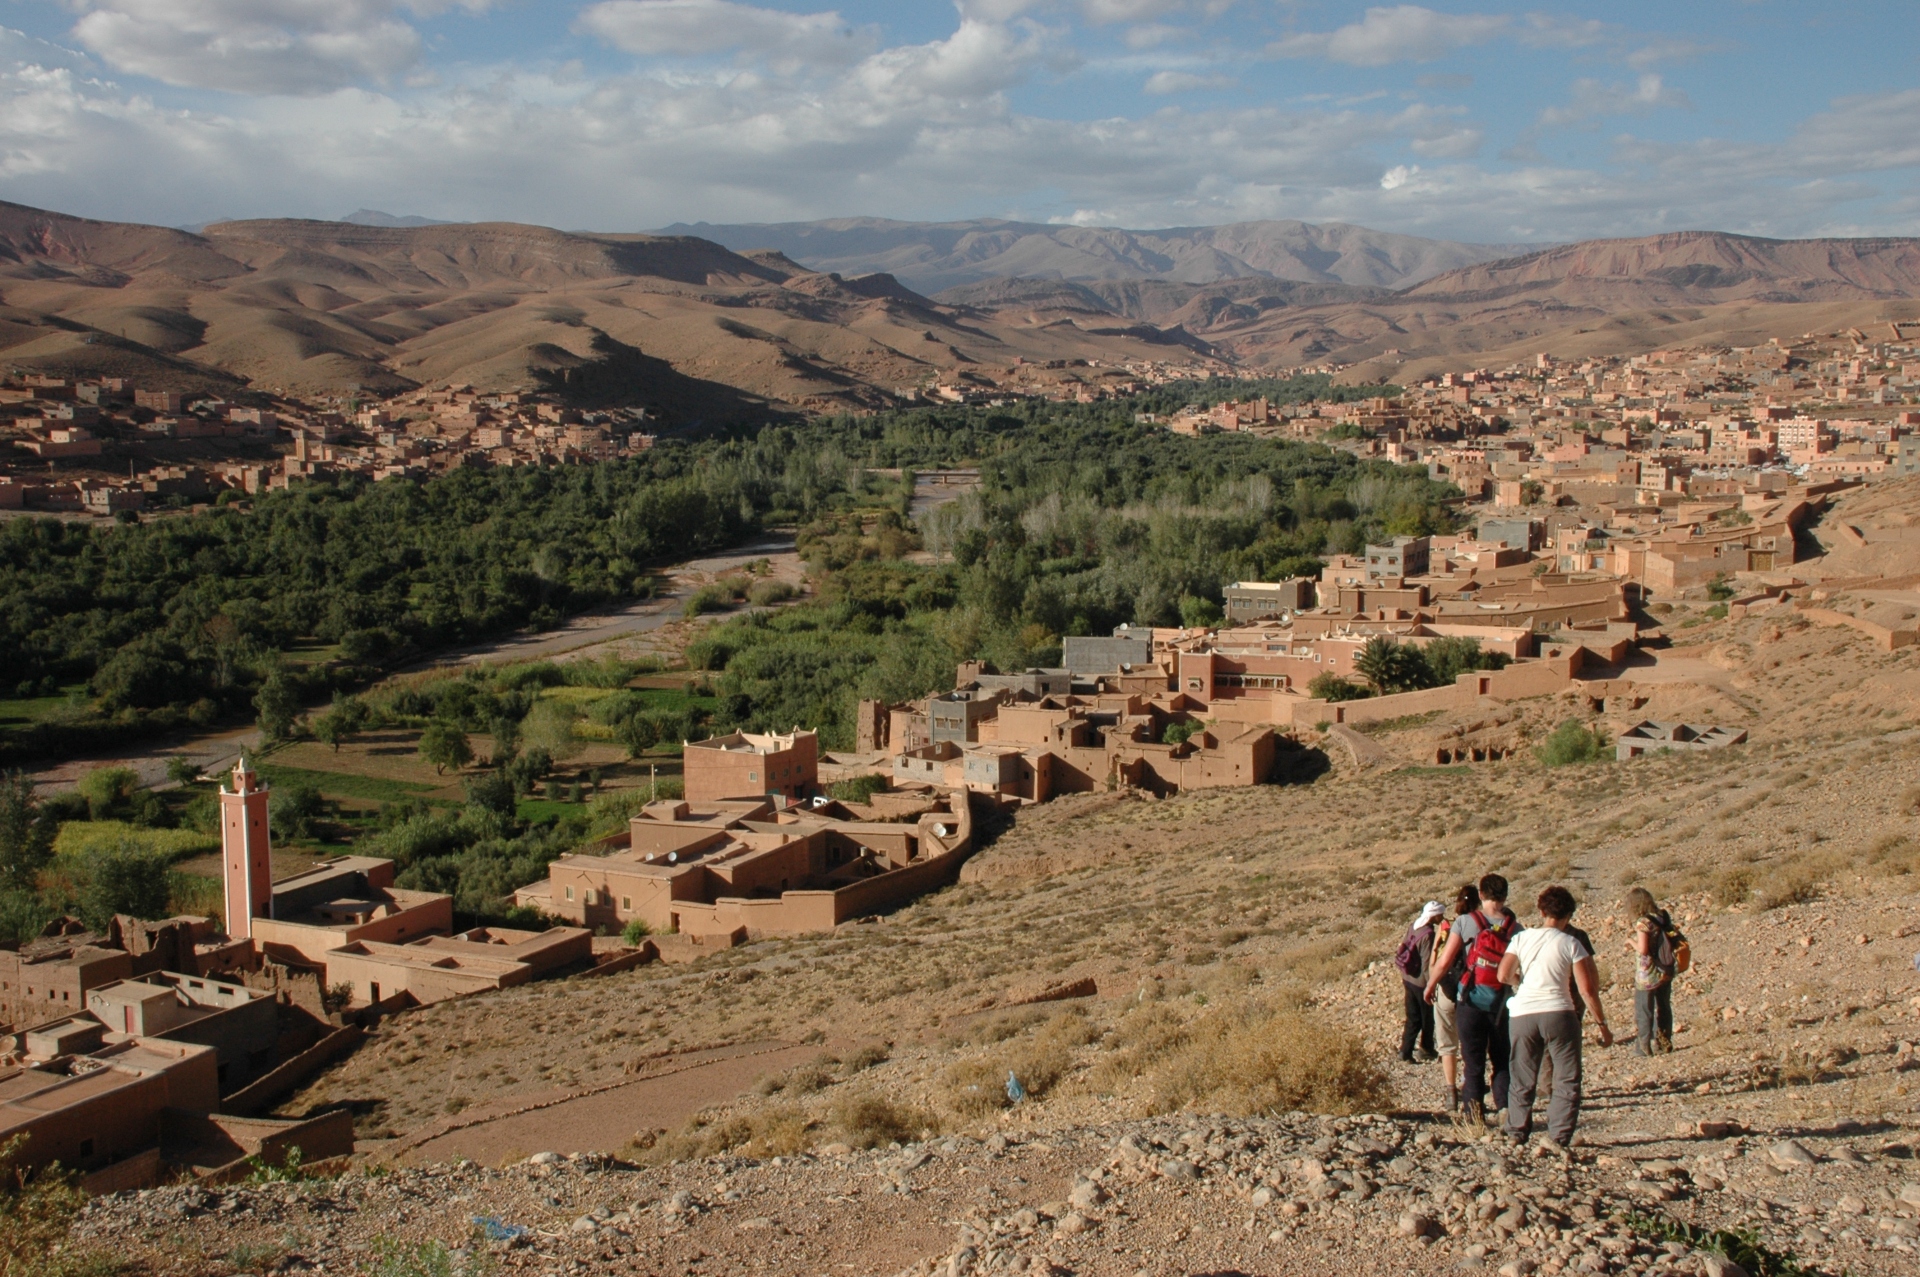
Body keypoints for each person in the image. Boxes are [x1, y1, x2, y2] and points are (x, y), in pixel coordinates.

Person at [1498, 886, 1613, 1152]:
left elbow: (1503, 975)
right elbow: (1587, 990)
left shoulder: (1521, 939)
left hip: (1523, 1014)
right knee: (1566, 1078)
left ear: (1541, 911)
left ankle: (1516, 1131)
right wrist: (1602, 1025)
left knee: (1522, 1075)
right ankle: (1558, 1136)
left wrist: (1520, 982)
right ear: (1569, 915)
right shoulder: (1572, 943)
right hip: (1560, 1013)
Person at [1426, 873, 1517, 1126]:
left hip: (1470, 1001)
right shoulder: (1515, 927)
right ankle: (1505, 1109)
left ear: (1482, 894)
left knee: (1473, 1061)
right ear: (1505, 895)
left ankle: (1473, 1116)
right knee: (1501, 1058)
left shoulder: (1465, 922)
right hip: (1501, 1002)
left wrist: (1430, 986)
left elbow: (1445, 961)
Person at [1430, 883, 1479, 1109]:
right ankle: (1471, 1087)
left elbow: (1437, 961)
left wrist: (1430, 985)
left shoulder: (1449, 927)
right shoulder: (1483, 926)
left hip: (1447, 990)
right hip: (1472, 990)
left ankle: (1451, 1093)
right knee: (1472, 1042)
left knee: (1447, 1043)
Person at [1626, 887, 1679, 1055]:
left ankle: (1643, 1048)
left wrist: (1630, 942)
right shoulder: (1662, 916)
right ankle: (1664, 1042)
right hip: (1665, 969)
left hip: (1647, 973)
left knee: (1644, 1010)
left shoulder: (1643, 922)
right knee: (1664, 1007)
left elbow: (1643, 949)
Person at [1396, 900, 1444, 1063]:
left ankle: (1405, 1050)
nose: (1442, 918)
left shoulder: (1414, 926)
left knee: (1412, 1017)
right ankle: (1425, 1049)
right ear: (1434, 916)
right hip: (1420, 983)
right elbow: (1426, 964)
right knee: (1427, 1018)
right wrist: (1431, 985)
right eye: (1440, 915)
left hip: (1408, 978)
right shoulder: (1428, 934)